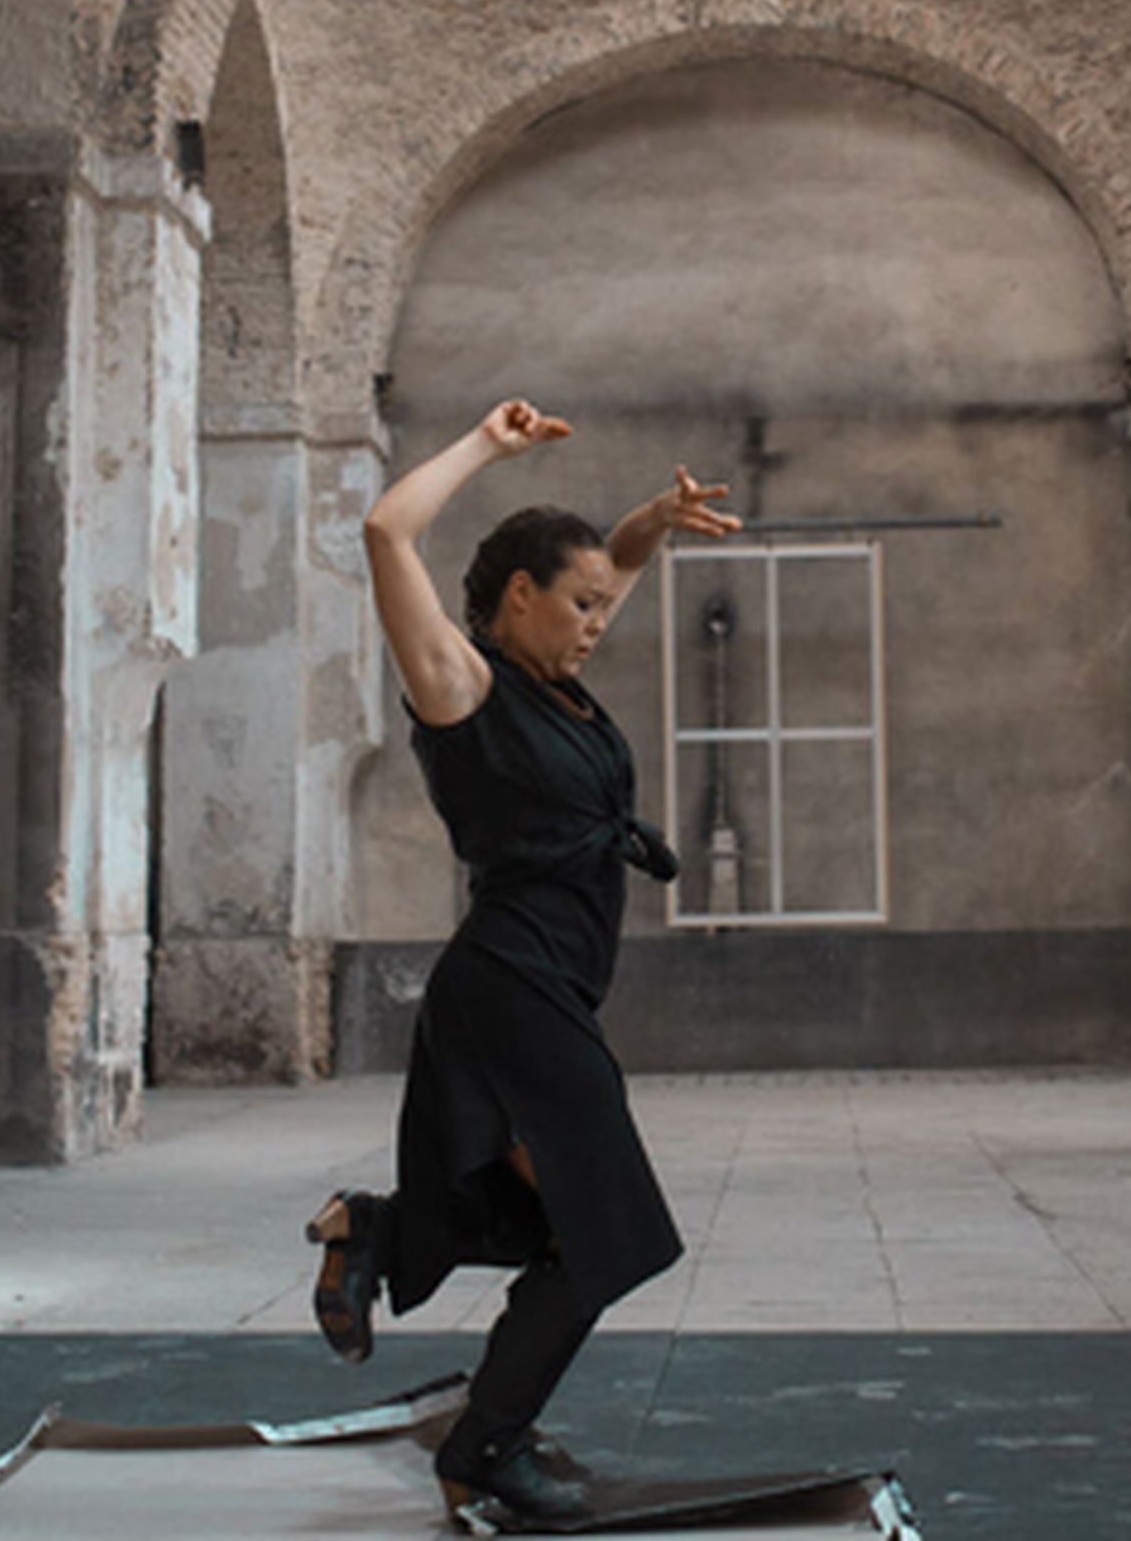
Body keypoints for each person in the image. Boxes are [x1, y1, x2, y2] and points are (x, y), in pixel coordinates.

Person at [305, 397, 740, 1523]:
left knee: (567, 1227)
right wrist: (486, 447)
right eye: (580, 603)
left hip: (539, 988)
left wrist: (648, 522)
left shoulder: (559, 691)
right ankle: (483, 1449)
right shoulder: (462, 686)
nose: (600, 619)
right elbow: (386, 532)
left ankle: (380, 1230)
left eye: (601, 603)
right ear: (516, 597)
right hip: (511, 985)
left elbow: (616, 568)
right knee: (612, 1236)